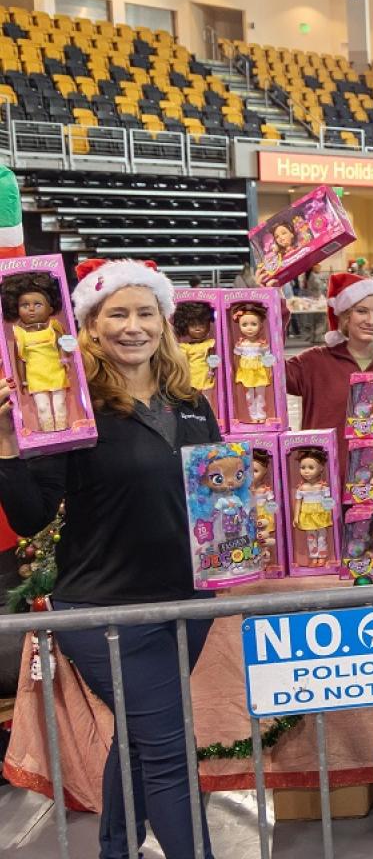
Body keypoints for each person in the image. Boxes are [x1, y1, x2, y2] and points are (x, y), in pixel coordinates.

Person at [0, 258, 221, 858]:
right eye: (116, 314)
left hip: (189, 601)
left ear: (164, 321)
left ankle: (115, 850)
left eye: (145, 312)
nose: (133, 326)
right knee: (170, 752)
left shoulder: (191, 401)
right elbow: (30, 517)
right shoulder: (73, 408)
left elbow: (214, 497)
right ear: (89, 326)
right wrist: (6, 445)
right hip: (106, 612)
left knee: (140, 738)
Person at [284, 273, 373, 467]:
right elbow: (269, 368)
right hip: (321, 482)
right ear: (345, 316)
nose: (371, 320)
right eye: (361, 311)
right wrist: (272, 304)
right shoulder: (313, 362)